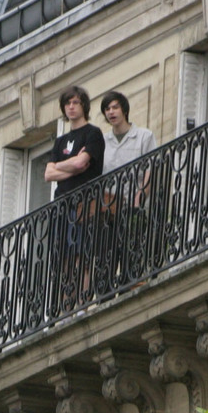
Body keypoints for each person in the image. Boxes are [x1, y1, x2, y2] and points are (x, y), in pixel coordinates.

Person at [41, 85, 104, 307]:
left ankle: (82, 303)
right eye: (67, 103)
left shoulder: (93, 134)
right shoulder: (60, 141)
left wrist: (66, 166)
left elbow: (82, 163)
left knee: (82, 254)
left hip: (84, 203)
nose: (71, 107)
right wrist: (71, 166)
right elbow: (48, 174)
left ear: (84, 105)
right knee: (64, 258)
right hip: (62, 204)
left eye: (75, 102)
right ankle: (67, 305)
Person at [99, 91, 158, 292]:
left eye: (115, 107)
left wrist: (139, 198)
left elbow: (150, 168)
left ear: (124, 109)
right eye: (107, 109)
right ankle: (105, 294)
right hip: (109, 206)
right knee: (107, 252)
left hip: (134, 203)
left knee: (131, 249)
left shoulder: (143, 136)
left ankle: (128, 287)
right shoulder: (103, 142)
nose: (111, 112)